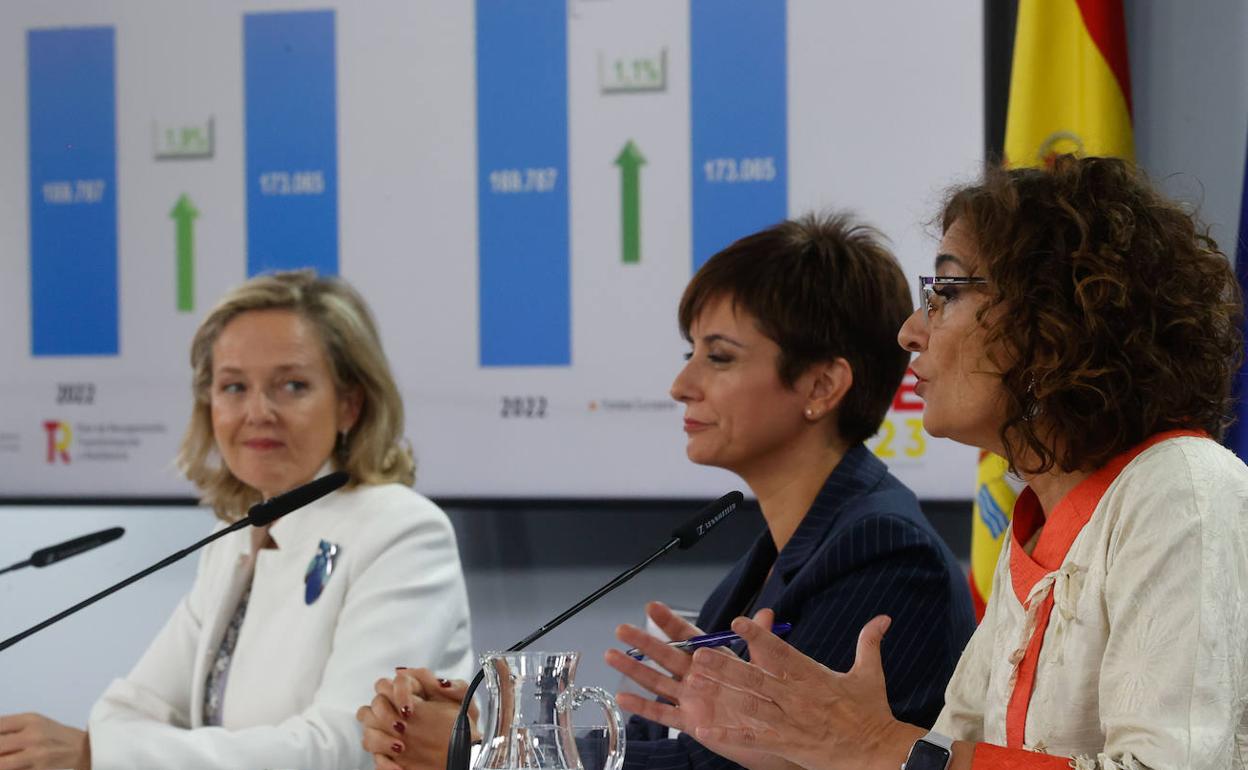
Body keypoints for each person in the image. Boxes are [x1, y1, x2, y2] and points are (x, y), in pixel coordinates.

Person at [649, 155, 1248, 770]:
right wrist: (803, 754)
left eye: (945, 292)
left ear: (1054, 322)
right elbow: (931, 758)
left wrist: (874, 745)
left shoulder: (1182, 489)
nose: (911, 331)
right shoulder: (1039, 525)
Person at [355, 213, 977, 770]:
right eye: (691, 353)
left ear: (821, 386)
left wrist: (494, 749)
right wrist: (493, 723)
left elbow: (726, 769)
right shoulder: (781, 553)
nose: (682, 384)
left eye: (720, 357)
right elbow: (666, 744)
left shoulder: (884, 556)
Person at [0, 270, 473, 770]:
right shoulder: (233, 540)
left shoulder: (401, 531)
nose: (258, 411)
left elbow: (346, 747)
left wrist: (101, 755)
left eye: (292, 385)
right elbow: (129, 710)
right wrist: (107, 748)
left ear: (349, 404)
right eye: (233, 386)